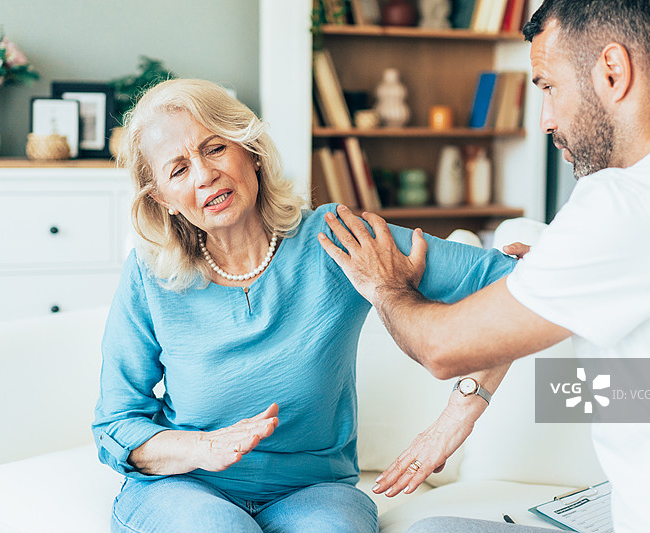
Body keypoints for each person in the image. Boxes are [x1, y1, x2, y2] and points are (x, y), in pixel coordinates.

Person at [318, 0, 650, 532]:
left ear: (613, 72)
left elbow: (441, 349)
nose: (547, 120)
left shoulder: (631, 202)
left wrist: (387, 287)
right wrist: (466, 408)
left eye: (548, 87)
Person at [91, 78, 519, 532]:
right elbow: (117, 423)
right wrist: (202, 447)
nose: (203, 175)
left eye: (214, 148)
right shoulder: (150, 276)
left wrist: (454, 421)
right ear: (164, 200)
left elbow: (513, 283)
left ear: (249, 151)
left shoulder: (337, 240)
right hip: (184, 488)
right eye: (178, 170)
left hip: (313, 493)